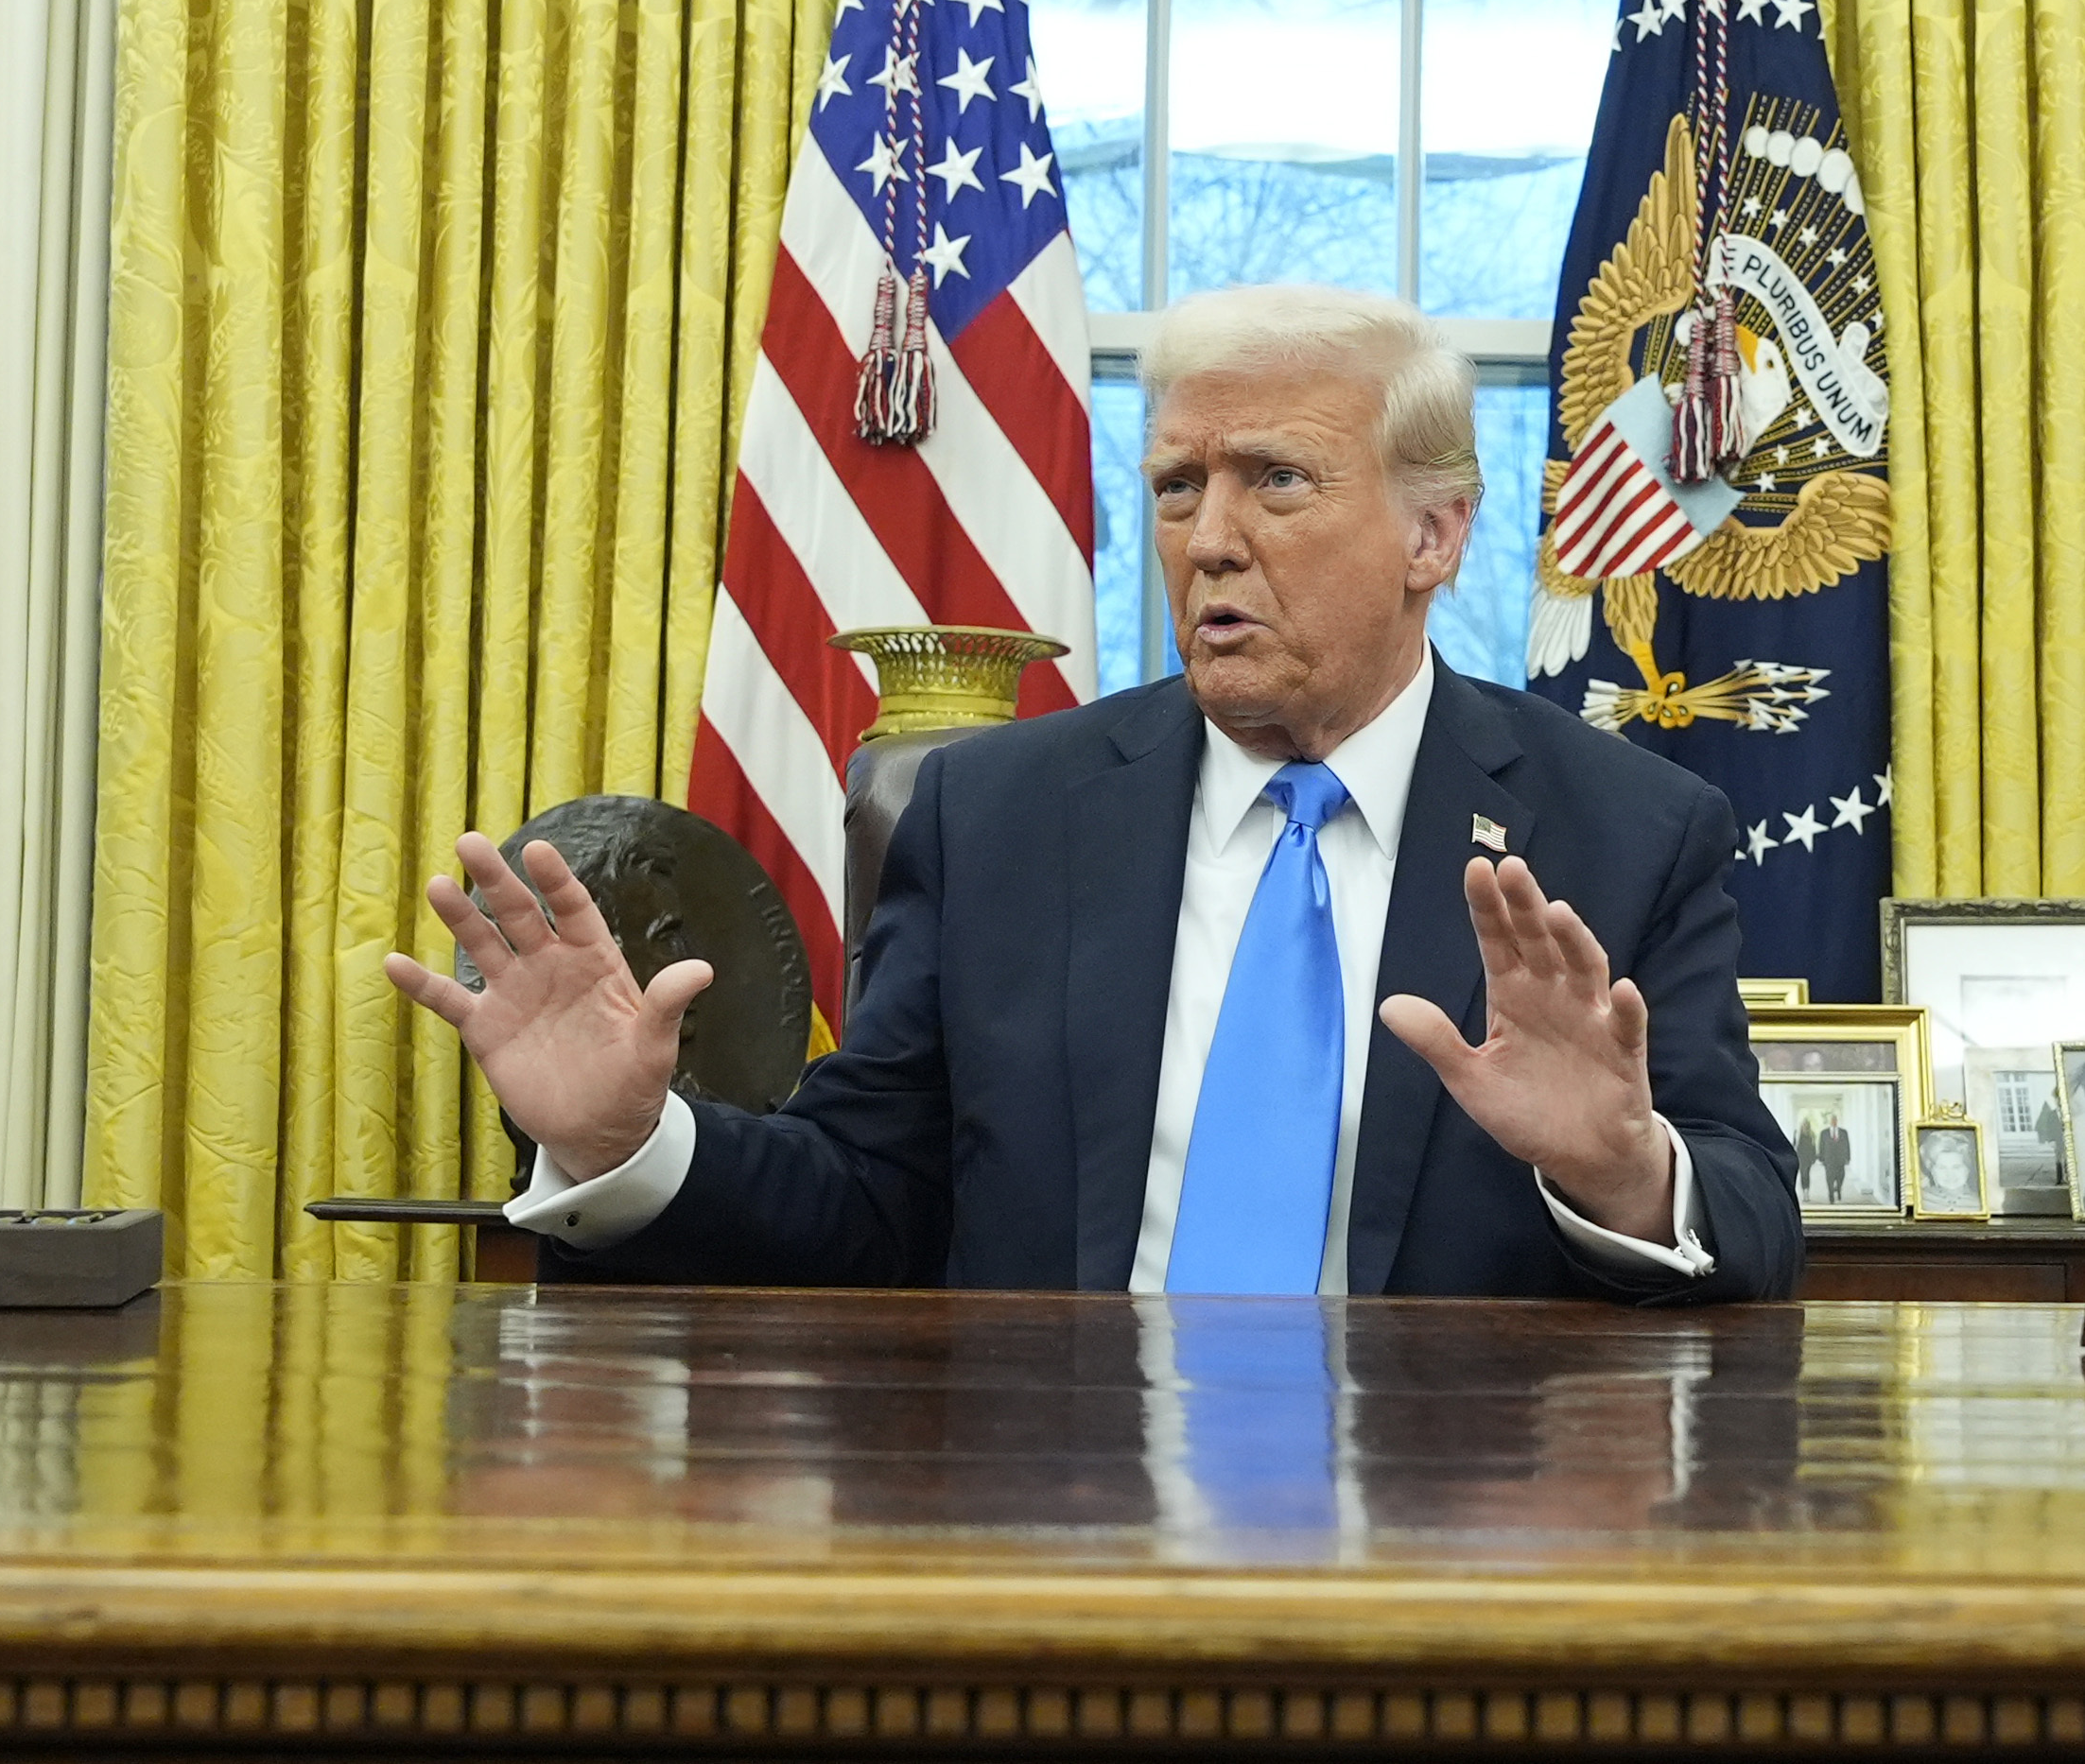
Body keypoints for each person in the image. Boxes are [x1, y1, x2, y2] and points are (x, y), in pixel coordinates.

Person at [389, 285, 1800, 1302]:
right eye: (1177, 487)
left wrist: (1624, 1170)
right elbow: (867, 1201)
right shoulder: (999, 814)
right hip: (1060, 1527)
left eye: (1277, 481)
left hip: (1449, 1556)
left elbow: (1749, 1211)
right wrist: (625, 1139)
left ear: (1435, 531)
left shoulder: (1622, 827)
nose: (1210, 540)